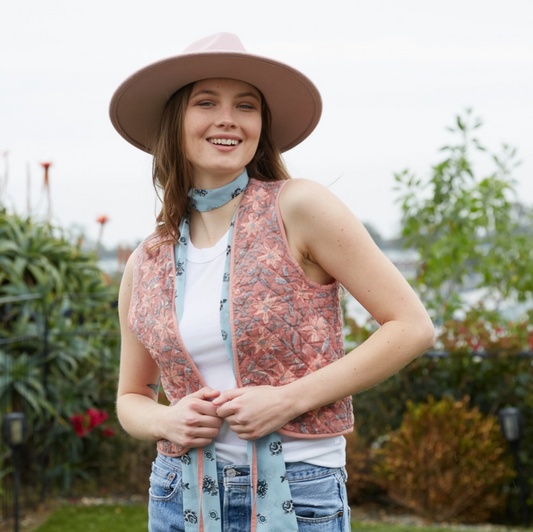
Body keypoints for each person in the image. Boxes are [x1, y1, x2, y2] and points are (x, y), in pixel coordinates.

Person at [111, 33, 435, 532]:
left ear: (260, 126)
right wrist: (165, 420)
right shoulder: (145, 261)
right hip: (177, 494)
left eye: (246, 105)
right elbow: (132, 395)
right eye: (206, 102)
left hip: (298, 490)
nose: (229, 118)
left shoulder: (299, 208)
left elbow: (412, 327)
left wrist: (288, 399)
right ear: (174, 123)